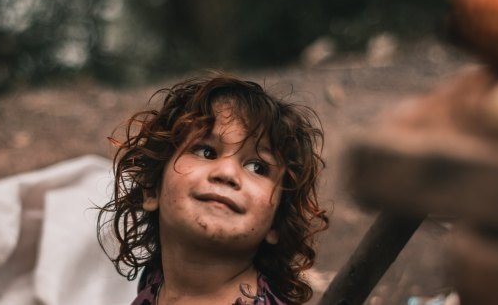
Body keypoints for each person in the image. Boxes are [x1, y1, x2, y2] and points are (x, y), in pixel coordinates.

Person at [98, 73, 329, 304]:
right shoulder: (153, 283)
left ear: (276, 222)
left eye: (257, 167)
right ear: (152, 189)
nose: (227, 173)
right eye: (206, 152)